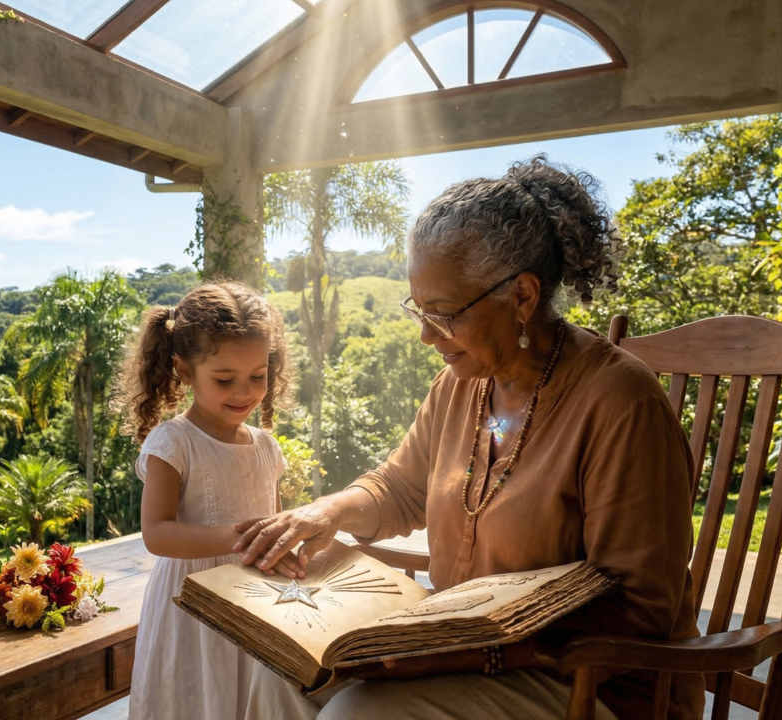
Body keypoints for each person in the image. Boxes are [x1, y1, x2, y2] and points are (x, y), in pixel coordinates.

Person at [234, 157, 704, 720]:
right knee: (284, 675)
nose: (426, 335)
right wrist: (325, 513)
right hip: (461, 648)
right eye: (419, 309)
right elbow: (399, 488)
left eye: (443, 313)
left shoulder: (621, 403)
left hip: (591, 683)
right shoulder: (460, 388)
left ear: (523, 297)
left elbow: (639, 606)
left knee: (358, 716)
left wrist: (472, 655)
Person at [116, 282, 298, 720]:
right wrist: (240, 540)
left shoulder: (266, 447)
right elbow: (157, 534)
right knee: (197, 701)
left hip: (254, 604)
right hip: (190, 609)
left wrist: (285, 548)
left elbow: (271, 528)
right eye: (224, 379)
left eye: (258, 375)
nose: (244, 392)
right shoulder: (173, 443)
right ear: (183, 370)